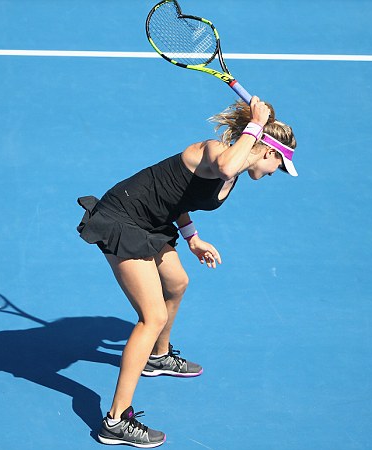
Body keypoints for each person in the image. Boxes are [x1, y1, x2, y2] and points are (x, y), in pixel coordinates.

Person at [77, 96, 297, 447]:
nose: (276, 173)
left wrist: (192, 238)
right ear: (268, 151)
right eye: (279, 165)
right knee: (152, 316)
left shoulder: (236, 168)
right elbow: (225, 166)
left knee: (178, 282)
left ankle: (157, 357)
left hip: (153, 221)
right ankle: (115, 421)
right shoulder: (216, 152)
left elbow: (179, 196)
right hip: (124, 219)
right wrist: (256, 123)